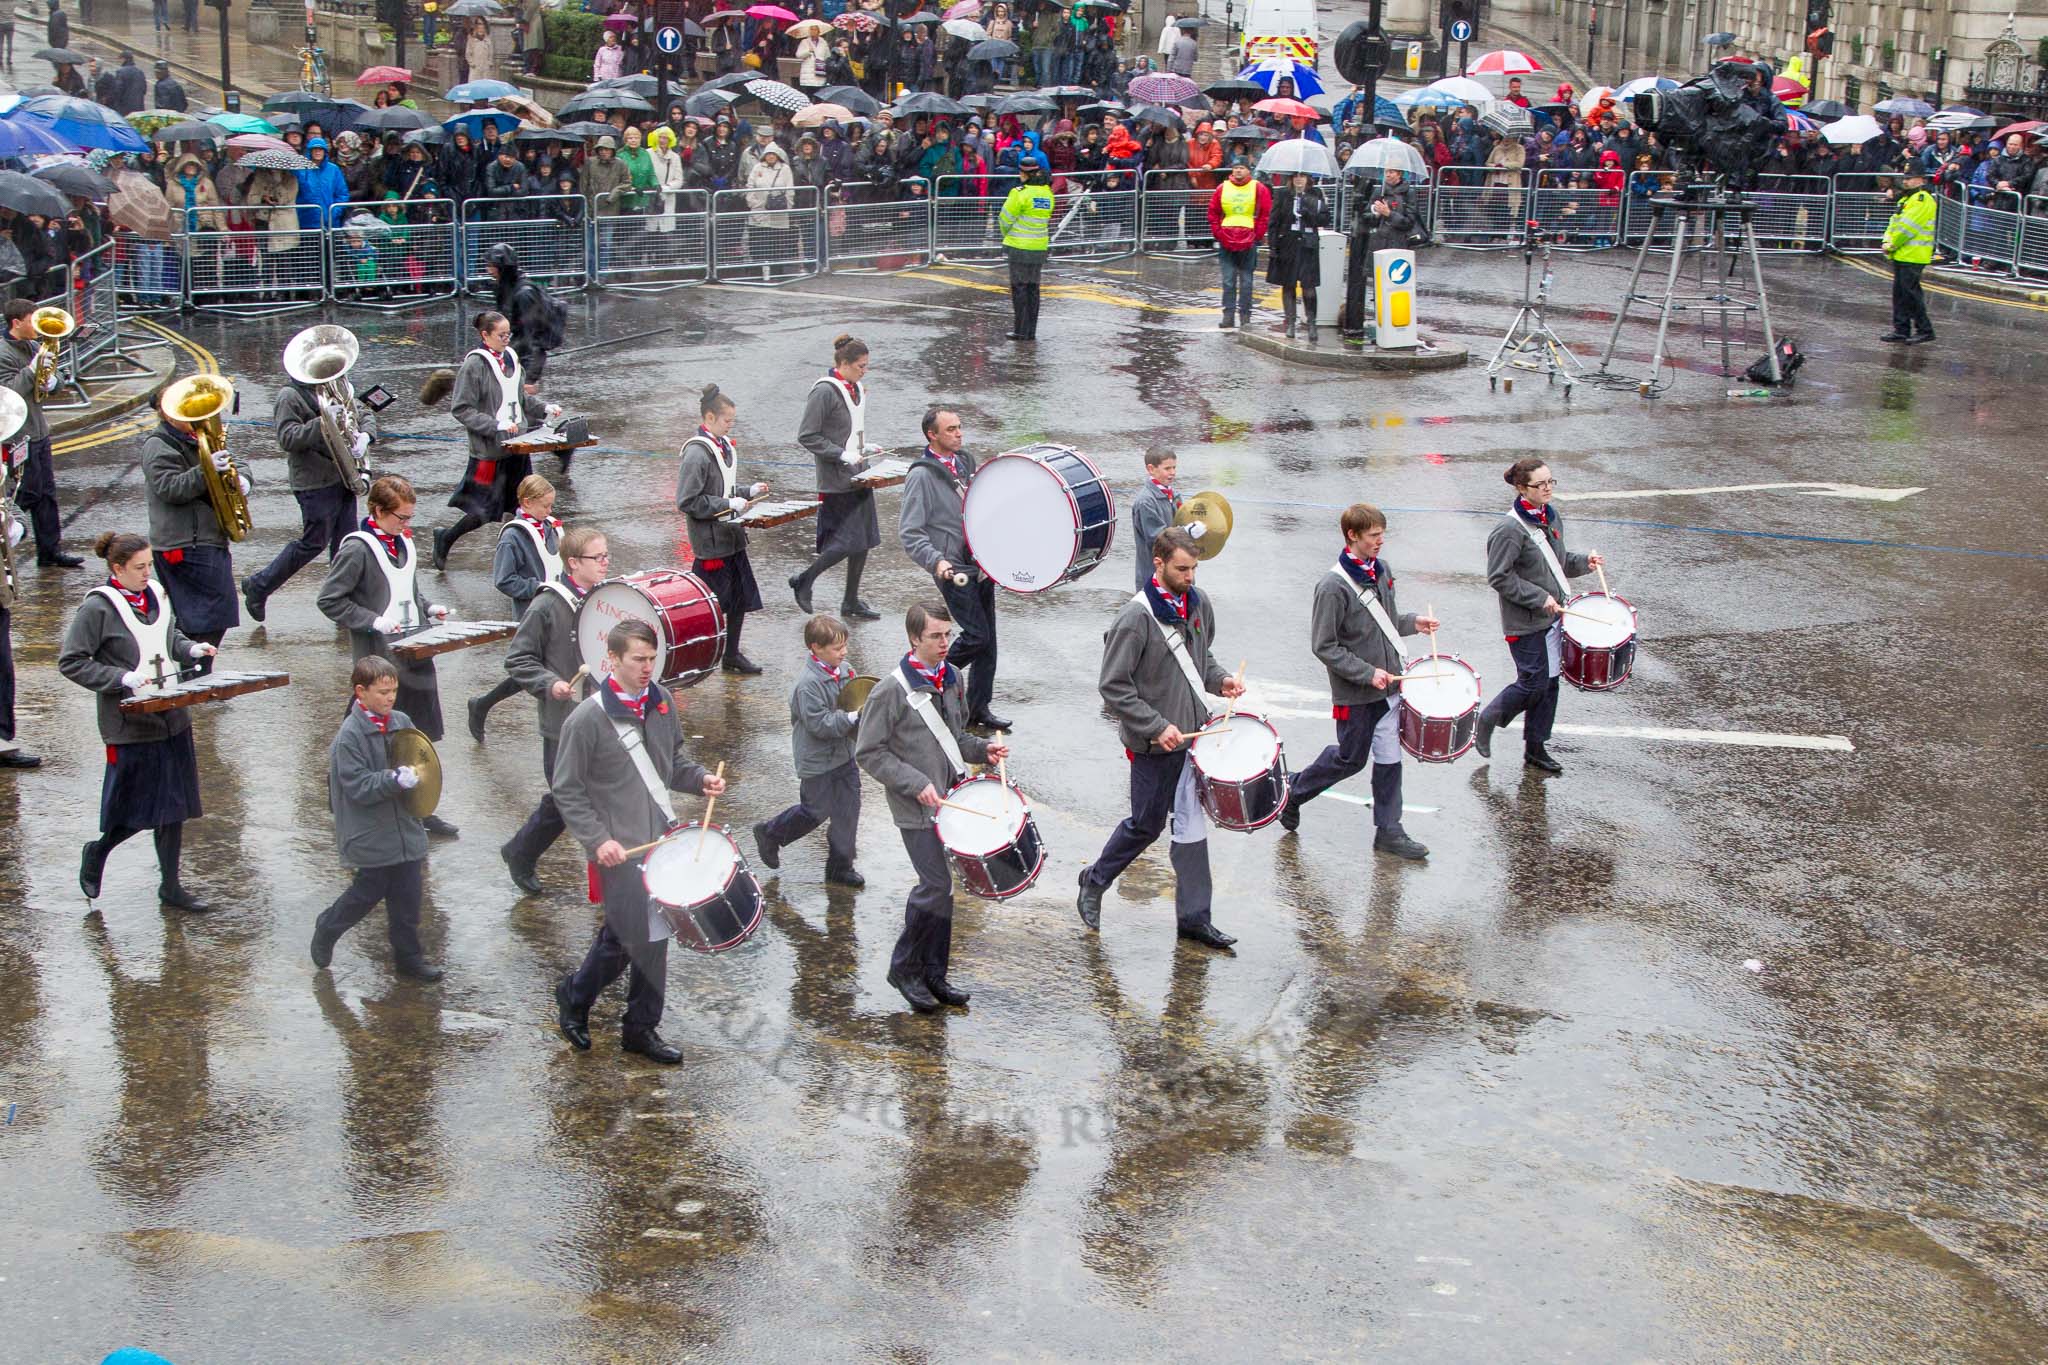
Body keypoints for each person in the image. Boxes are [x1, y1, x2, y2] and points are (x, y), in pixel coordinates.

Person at [550, 618, 725, 1065]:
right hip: (619, 850)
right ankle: (575, 994)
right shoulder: (587, 719)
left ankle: (641, 1028)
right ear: (612, 659)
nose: (648, 668)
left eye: (652, 659)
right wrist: (598, 840)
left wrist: (700, 779)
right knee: (624, 940)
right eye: (638, 660)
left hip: (660, 843)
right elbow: (566, 790)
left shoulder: (661, 701)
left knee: (657, 936)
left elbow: (672, 762)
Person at [1075, 526, 1244, 951]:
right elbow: (1113, 686)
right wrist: (1155, 726)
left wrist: (1221, 680)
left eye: (1194, 569)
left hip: (1194, 738)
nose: (1190, 577)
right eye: (1182, 569)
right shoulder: (1134, 620)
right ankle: (1094, 880)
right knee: (1146, 825)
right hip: (1154, 744)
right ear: (1159, 563)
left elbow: (1200, 661)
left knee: (1191, 828)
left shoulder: (1198, 602)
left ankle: (1195, 919)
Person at [854, 600, 1006, 1013]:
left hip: (951, 801)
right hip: (915, 807)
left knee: (944, 890)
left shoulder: (953, 677)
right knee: (934, 885)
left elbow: (955, 737)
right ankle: (904, 968)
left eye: (947, 635)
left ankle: (935, 974)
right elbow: (868, 752)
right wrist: (915, 782)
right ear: (913, 639)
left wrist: (984, 749)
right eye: (935, 636)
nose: (944, 643)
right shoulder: (889, 692)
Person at [59, 531, 218, 910]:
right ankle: (99, 850)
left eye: (149, 565)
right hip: (130, 725)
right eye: (139, 567)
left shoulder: (156, 594)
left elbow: (168, 637)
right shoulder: (97, 608)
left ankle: (171, 887)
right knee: (135, 807)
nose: (148, 573)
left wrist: (191, 648)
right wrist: (120, 678)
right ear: (117, 569)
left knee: (176, 806)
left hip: (172, 716)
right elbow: (71, 661)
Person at [1275, 502, 1434, 859]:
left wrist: (1413, 623)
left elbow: (1386, 621)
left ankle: (1389, 830)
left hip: (1390, 687)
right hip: (1357, 694)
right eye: (1374, 535)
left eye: (1382, 534)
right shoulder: (1332, 587)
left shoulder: (1382, 569)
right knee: (1350, 758)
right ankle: (1294, 791)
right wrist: (1367, 673)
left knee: (1390, 758)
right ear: (1352, 535)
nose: (1380, 541)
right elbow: (1324, 645)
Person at [317, 475, 462, 836]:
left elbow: (408, 591)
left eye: (410, 517)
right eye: (401, 517)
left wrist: (429, 608)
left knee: (417, 736)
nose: (406, 524)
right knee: (364, 735)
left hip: (416, 652)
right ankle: (343, 797)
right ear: (378, 511)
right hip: (379, 660)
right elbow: (329, 600)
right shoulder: (357, 549)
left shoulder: (403, 542)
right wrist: (372, 620)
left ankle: (420, 808)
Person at [311, 655, 442, 981]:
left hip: (404, 830)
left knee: (408, 898)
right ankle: (328, 926)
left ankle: (409, 960)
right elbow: (358, 787)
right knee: (366, 894)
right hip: (370, 832)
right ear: (361, 692)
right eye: (383, 692)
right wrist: (393, 780)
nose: (390, 698)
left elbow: (420, 759)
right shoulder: (349, 737)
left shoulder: (401, 721)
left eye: (393, 691)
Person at [1473, 458, 1603, 776]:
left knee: (1550, 684)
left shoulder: (1551, 515)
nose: (1547, 488)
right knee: (1533, 684)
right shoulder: (1508, 530)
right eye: (1540, 484)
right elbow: (1499, 577)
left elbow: (1558, 562)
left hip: (1554, 618)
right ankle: (1489, 717)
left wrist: (1584, 563)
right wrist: (1539, 597)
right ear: (1521, 488)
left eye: (1550, 482)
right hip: (1525, 621)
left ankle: (1536, 748)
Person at [500, 522, 606, 893]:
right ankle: (521, 851)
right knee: (568, 799)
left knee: (588, 796)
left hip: (602, 718)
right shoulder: (546, 604)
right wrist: (550, 683)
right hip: (562, 723)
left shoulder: (606, 598)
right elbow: (518, 659)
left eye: (606, 556)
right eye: (597, 557)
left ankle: (520, 851)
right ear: (573, 563)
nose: (605, 563)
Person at [241, 345, 374, 623]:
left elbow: (362, 412)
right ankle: (259, 585)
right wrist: (324, 422)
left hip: (343, 476)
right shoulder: (289, 396)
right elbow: (288, 438)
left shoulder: (337, 387)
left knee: (346, 542)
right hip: (314, 482)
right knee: (314, 543)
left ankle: (344, 600)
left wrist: (366, 435)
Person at [897, 405, 1006, 730]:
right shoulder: (921, 476)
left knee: (989, 644)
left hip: (981, 562)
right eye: (951, 429)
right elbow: (910, 532)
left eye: (959, 427)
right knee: (976, 637)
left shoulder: (965, 462)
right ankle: (922, 678)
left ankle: (978, 709)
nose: (959, 434)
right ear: (931, 435)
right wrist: (937, 561)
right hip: (952, 568)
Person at [431, 311, 553, 569]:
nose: (507, 340)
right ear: (485, 335)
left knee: (525, 502)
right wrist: (495, 425)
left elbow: (518, 398)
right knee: (483, 510)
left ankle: (521, 557)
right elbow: (461, 409)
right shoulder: (474, 365)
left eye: (509, 334)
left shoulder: (510, 357)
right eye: (501, 335)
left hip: (518, 446)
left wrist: (543, 408)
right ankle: (446, 537)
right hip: (488, 453)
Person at [753, 613, 864, 888]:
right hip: (817, 762)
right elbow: (820, 725)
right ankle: (770, 833)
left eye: (844, 646)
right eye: (837, 648)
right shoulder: (807, 685)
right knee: (815, 811)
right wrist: (852, 717)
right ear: (816, 648)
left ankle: (840, 867)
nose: (844, 652)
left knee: (848, 811)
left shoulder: (846, 670)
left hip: (844, 756)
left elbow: (856, 696)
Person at [142, 381, 246, 671]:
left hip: (206, 538)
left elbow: (234, 461)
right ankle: (194, 673)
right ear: (167, 413)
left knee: (215, 615)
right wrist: (207, 470)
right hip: (184, 544)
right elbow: (169, 488)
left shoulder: (201, 435)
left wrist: (242, 479)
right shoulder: (158, 445)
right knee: (202, 618)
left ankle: (198, 672)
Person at [675, 383, 770, 676]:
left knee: (739, 601)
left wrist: (748, 491)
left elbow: (724, 488)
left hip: (732, 538)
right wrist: (728, 503)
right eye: (727, 420)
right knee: (706, 609)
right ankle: (692, 656)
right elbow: (687, 501)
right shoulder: (696, 454)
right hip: (711, 545)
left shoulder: (723, 446)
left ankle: (732, 655)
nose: (731, 425)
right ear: (709, 417)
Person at [790, 333, 882, 622]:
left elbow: (850, 430)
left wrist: (864, 447)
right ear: (844, 363)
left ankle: (850, 600)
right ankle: (804, 579)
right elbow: (808, 435)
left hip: (860, 474)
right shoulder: (824, 392)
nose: (865, 371)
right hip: (836, 479)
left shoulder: (855, 388)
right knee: (844, 542)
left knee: (864, 539)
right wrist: (841, 454)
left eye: (866, 366)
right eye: (861, 366)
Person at [464, 474, 560, 741]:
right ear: (526, 503)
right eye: (545, 506)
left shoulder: (550, 528)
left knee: (545, 667)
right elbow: (504, 579)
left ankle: (483, 704)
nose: (549, 511)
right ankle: (483, 704)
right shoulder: (513, 537)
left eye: (551, 505)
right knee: (536, 668)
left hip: (556, 607)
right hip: (531, 612)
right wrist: (537, 587)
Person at [0, 300, 84, 568]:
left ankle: (50, 552)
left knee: (46, 494)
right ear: (16, 323)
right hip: (16, 436)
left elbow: (54, 377)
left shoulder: (35, 345)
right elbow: (8, 392)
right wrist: (31, 371)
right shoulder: (3, 353)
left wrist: (54, 381)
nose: (37, 326)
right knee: (23, 494)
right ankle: (9, 539)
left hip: (38, 432)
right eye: (32, 320)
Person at [1343, 169, 1419, 339]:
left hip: (1398, 245)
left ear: (1400, 174)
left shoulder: (1409, 193)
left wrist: (1389, 214)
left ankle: (1396, 328)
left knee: (1396, 287)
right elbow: (1366, 216)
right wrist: (1375, 213)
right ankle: (1381, 325)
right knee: (1379, 287)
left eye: (1392, 172)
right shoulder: (1379, 191)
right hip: (1378, 243)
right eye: (1386, 172)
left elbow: (1409, 221)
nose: (1388, 175)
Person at [1129, 446, 1212, 591]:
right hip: (1155, 578)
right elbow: (1157, 539)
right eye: (1167, 468)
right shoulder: (1145, 502)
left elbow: (1182, 522)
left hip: (1180, 576)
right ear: (1151, 469)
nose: (1172, 472)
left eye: (1174, 467)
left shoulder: (1174, 495)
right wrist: (1186, 532)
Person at [1207, 159, 1270, 329]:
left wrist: (1257, 235)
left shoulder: (1259, 188)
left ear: (1249, 170)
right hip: (1226, 240)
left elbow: (1265, 214)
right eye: (1235, 168)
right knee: (1228, 281)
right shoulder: (1222, 188)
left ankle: (1245, 316)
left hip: (1248, 241)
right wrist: (1218, 233)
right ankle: (1228, 316)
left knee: (1246, 281)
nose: (1238, 171)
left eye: (1241, 168)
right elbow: (1213, 212)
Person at [1267, 169, 1329, 340]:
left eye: (1302, 176)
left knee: (1309, 287)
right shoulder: (1283, 194)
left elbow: (1325, 219)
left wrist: (1308, 212)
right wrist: (1273, 246)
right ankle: (1290, 322)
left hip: (1308, 245)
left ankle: (1312, 323)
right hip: (1288, 244)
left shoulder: (1316, 193)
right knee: (1288, 285)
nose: (1298, 179)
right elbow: (1274, 221)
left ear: (1308, 178)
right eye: (1295, 176)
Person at [998, 155, 1053, 341]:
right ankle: (1031, 331)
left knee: (1019, 288)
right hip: (1039, 246)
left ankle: (1020, 330)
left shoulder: (1019, 193)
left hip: (1019, 246)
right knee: (1033, 288)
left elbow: (1005, 218)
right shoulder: (1047, 192)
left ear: (1023, 173)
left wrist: (1006, 234)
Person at [1880, 168, 1936, 344]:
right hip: (1902, 253)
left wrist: (1892, 244)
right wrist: (1886, 240)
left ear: (1921, 180)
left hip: (1914, 255)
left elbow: (1908, 228)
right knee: (1900, 294)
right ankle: (1901, 329)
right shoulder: (1906, 199)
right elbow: (1894, 223)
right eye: (1905, 178)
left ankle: (1925, 329)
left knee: (1911, 295)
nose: (1906, 181)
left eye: (1910, 178)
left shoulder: (1922, 200)